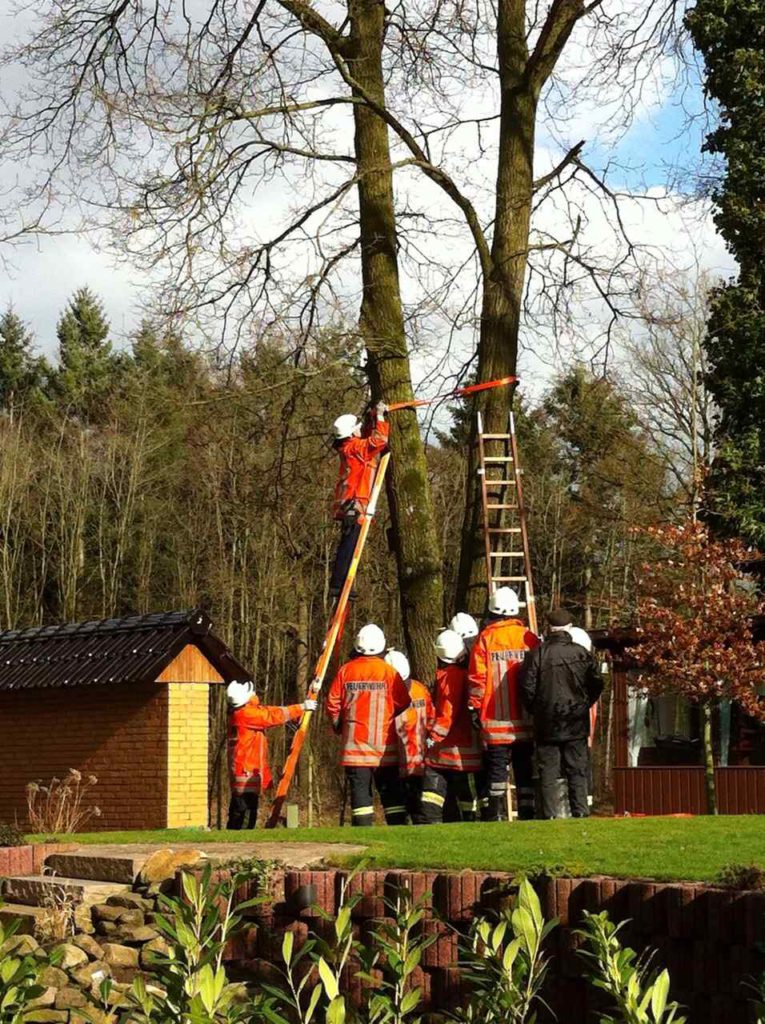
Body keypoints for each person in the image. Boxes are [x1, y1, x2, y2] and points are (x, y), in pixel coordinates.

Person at [519, 609, 603, 819]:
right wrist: (584, 704)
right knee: (577, 769)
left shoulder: (537, 654)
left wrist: (536, 709)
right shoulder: (581, 653)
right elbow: (596, 683)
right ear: (568, 628)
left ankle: (549, 814)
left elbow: (526, 687)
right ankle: (581, 812)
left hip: (546, 721)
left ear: (549, 628)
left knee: (548, 770)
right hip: (575, 720)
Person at [326, 623, 411, 826]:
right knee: (392, 796)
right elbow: (403, 701)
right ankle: (398, 831)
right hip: (384, 747)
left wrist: (339, 725)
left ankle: (363, 835)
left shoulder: (346, 671)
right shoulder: (389, 672)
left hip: (354, 748)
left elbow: (332, 703)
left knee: (361, 797)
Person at [468, 587, 540, 820]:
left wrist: (474, 707)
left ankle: (493, 814)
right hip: (526, 719)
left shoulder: (486, 638)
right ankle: (528, 812)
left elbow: (477, 678)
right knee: (524, 769)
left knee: (497, 770)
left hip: (496, 719)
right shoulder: (529, 638)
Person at [226, 681, 316, 829]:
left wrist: (297, 709)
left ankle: (239, 836)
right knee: (244, 812)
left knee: (242, 810)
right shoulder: (245, 714)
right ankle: (240, 841)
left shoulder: (241, 712)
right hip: (246, 771)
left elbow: (270, 711)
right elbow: (271, 716)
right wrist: (302, 707)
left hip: (244, 769)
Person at [421, 629, 482, 824]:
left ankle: (432, 823)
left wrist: (433, 737)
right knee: (465, 792)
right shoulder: (470, 672)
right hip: (470, 746)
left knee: (432, 792)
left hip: (449, 747)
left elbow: (448, 710)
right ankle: (468, 820)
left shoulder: (450, 677)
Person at [329, 402, 389, 598]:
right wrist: (380, 418)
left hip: (349, 505)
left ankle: (342, 584)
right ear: (351, 433)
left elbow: (367, 438)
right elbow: (378, 441)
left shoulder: (348, 447)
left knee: (349, 545)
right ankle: (339, 585)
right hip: (354, 505)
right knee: (348, 546)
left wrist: (372, 418)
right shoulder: (355, 448)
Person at [387, 648, 433, 824]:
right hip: (420, 758)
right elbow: (431, 718)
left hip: (397, 760)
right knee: (419, 808)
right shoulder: (420, 689)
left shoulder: (388, 692)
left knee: (401, 806)